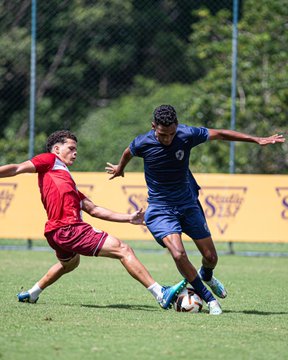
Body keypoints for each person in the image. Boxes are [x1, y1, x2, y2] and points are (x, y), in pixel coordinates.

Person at [105, 104, 285, 315]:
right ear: (154, 126)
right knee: (178, 253)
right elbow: (128, 152)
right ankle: (209, 299)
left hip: (188, 205)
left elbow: (220, 134)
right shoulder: (143, 142)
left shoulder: (186, 134)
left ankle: (207, 275)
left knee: (211, 258)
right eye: (163, 135)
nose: (168, 139)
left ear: (177, 126)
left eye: (171, 134)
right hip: (160, 209)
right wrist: (120, 168)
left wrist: (255, 139)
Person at [0, 130, 187, 309]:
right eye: (71, 148)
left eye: (76, 149)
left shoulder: (68, 183)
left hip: (55, 232)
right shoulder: (50, 160)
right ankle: (160, 293)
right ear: (56, 149)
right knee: (123, 249)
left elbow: (94, 209)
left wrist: (129, 218)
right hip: (69, 228)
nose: (75, 153)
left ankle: (32, 293)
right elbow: (17, 168)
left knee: (70, 263)